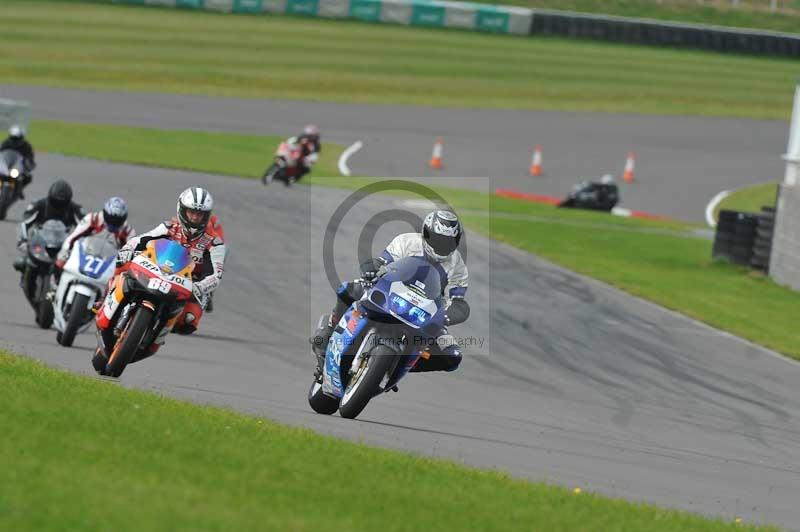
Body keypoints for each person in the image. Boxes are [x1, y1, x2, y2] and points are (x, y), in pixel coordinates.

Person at [311, 209, 470, 378]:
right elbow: (381, 262)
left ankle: (396, 367)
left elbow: (457, 301)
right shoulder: (406, 241)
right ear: (426, 233)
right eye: (438, 240)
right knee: (349, 289)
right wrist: (371, 270)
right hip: (390, 293)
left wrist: (445, 316)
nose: (442, 246)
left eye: (448, 242)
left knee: (452, 356)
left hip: (426, 313)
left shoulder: (457, 266)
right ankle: (329, 332)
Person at [93, 187, 226, 373]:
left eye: (200, 215)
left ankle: (156, 335)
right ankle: (106, 298)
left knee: (189, 321)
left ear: (207, 216)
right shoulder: (170, 227)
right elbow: (141, 239)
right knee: (123, 266)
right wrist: (128, 249)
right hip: (157, 270)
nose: (195, 218)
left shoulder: (215, 243)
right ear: (182, 210)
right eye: (192, 213)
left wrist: (200, 287)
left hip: (188, 284)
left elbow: (216, 275)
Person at [13, 179, 84, 273]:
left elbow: (85, 228)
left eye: (62, 203)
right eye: (56, 202)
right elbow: (24, 223)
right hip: (39, 240)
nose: (59, 206)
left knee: (75, 269)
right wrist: (22, 240)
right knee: (21, 263)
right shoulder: (39, 204)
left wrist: (84, 247)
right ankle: (28, 272)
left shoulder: (76, 209)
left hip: (63, 243)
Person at [55, 196, 135, 270]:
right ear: (104, 213)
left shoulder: (128, 232)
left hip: (108, 266)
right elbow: (72, 238)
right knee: (58, 267)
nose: (113, 224)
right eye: (110, 219)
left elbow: (131, 257)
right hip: (84, 255)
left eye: (117, 221)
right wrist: (62, 259)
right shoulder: (92, 219)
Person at [1, 125, 36, 198]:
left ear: (21, 138)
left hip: (18, 167)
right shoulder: (5, 143)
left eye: (17, 139)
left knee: (28, 177)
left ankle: (20, 190)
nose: (15, 140)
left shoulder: (26, 146)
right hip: (6, 165)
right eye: (13, 138)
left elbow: (30, 157)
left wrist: (29, 164)